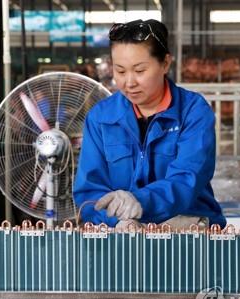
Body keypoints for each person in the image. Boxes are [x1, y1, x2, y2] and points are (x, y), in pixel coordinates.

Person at [73, 19, 225, 230]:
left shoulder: (192, 111)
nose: (129, 82)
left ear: (165, 63)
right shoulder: (101, 117)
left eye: (140, 70)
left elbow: (187, 179)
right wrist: (118, 220)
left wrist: (141, 202)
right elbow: (89, 192)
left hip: (188, 234)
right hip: (122, 236)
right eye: (120, 71)